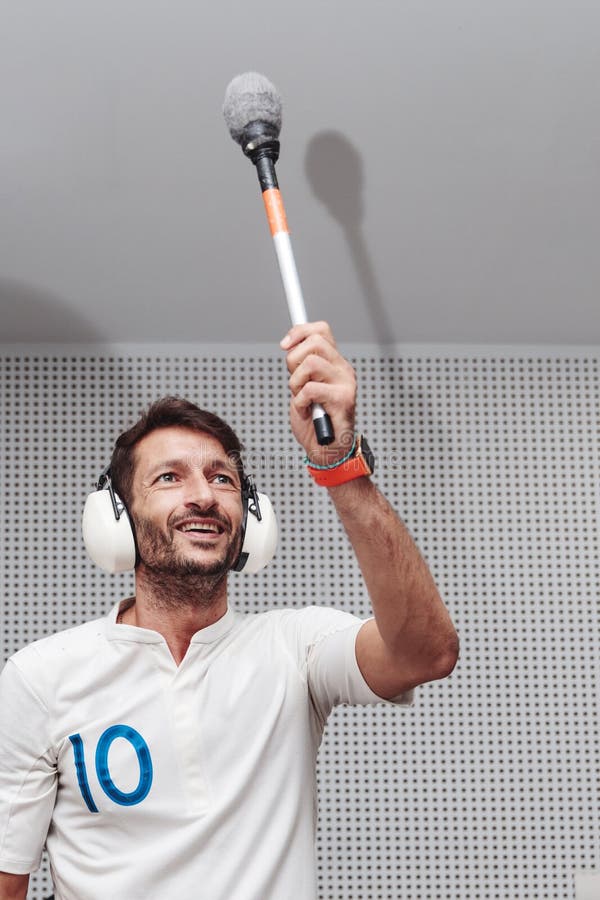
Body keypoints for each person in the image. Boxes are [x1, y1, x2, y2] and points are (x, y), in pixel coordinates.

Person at [0, 322, 459, 900]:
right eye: (169, 478)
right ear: (113, 519)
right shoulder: (40, 677)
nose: (205, 496)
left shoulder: (297, 648)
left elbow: (427, 652)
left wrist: (340, 463)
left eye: (223, 479)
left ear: (251, 520)